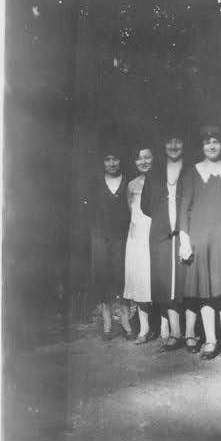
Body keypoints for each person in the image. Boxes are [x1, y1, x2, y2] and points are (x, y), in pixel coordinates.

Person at [179, 125, 221, 359]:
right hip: (200, 240)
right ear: (202, 146)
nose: (212, 146)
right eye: (207, 142)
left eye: (216, 141)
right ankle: (211, 340)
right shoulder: (192, 172)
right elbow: (184, 209)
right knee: (205, 291)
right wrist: (185, 240)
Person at [140, 130, 187, 351]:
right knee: (165, 282)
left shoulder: (190, 169)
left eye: (178, 140)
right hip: (159, 235)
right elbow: (145, 205)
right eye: (170, 140)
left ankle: (191, 333)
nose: (174, 145)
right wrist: (163, 220)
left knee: (183, 280)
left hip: (184, 233)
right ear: (164, 145)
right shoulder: (155, 173)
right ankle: (175, 332)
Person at [89, 139, 130, 341]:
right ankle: (107, 323)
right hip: (100, 238)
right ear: (103, 162)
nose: (112, 163)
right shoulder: (95, 184)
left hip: (121, 238)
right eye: (108, 159)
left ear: (120, 161)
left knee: (122, 277)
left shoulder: (127, 181)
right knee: (103, 278)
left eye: (115, 159)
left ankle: (124, 320)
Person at [122, 146, 155, 344]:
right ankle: (144, 328)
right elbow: (131, 210)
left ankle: (164, 326)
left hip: (155, 235)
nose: (143, 161)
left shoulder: (160, 181)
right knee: (141, 282)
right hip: (137, 237)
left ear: (153, 159)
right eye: (139, 158)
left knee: (156, 280)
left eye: (147, 157)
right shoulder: (132, 184)